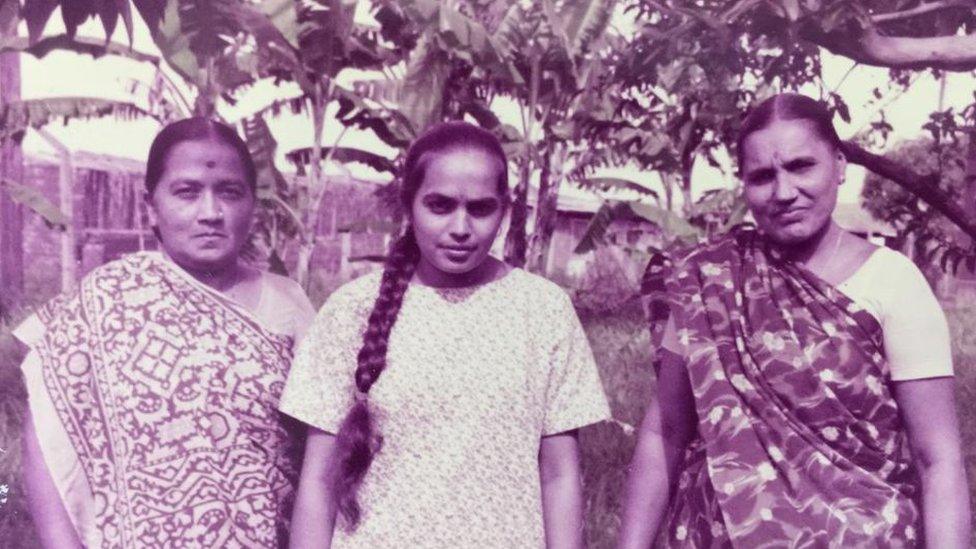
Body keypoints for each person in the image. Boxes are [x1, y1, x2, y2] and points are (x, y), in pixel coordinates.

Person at [618, 93, 970, 548]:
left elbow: (937, 460)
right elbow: (665, 431)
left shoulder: (894, 283)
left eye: (802, 166)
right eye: (762, 176)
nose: (783, 193)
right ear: (743, 183)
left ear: (840, 165)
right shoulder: (710, 280)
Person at [280, 121, 611, 548]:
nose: (460, 227)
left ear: (505, 210)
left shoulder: (544, 310)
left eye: (480, 208)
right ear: (409, 205)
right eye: (439, 206)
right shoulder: (350, 310)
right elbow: (319, 479)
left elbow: (560, 474)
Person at [16, 118, 316, 548]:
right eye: (187, 192)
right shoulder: (104, 301)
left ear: (252, 205)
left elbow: (322, 459)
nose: (210, 213)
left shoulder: (291, 305)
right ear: (151, 207)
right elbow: (47, 438)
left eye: (229, 192)